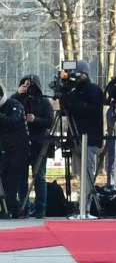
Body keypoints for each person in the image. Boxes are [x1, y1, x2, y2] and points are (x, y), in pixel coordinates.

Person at [59, 61, 104, 192]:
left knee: (87, 173)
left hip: (89, 139)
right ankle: (81, 202)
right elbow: (68, 112)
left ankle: (87, 203)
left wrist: (74, 102)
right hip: (75, 138)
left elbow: (92, 111)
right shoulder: (73, 92)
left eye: (78, 75)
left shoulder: (94, 90)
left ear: (85, 74)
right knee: (79, 173)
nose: (76, 79)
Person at [17, 76, 54, 218]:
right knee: (22, 178)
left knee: (39, 177)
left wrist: (35, 120)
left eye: (31, 85)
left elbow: (50, 120)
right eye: (25, 85)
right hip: (21, 143)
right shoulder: (18, 100)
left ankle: (40, 208)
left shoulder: (43, 101)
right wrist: (17, 94)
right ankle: (24, 207)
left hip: (39, 143)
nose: (28, 88)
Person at [0, 84, 29, 219]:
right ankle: (9, 207)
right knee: (4, 179)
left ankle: (14, 209)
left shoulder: (14, 105)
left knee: (12, 180)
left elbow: (12, 121)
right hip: (6, 149)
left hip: (19, 148)